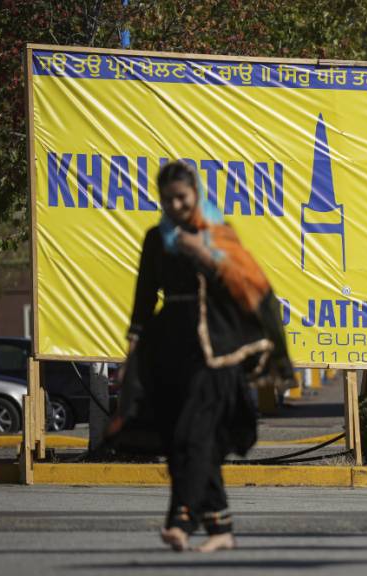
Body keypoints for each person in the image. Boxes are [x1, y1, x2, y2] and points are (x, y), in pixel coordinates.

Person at [123, 160, 292, 553]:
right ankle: (220, 529)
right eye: (168, 200)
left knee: (194, 435)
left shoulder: (217, 232)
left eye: (182, 198)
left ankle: (180, 521)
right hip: (172, 351)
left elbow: (250, 287)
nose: (176, 206)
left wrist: (204, 254)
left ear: (195, 194)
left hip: (218, 353)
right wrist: (133, 347)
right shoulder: (156, 238)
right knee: (190, 441)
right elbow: (145, 295)